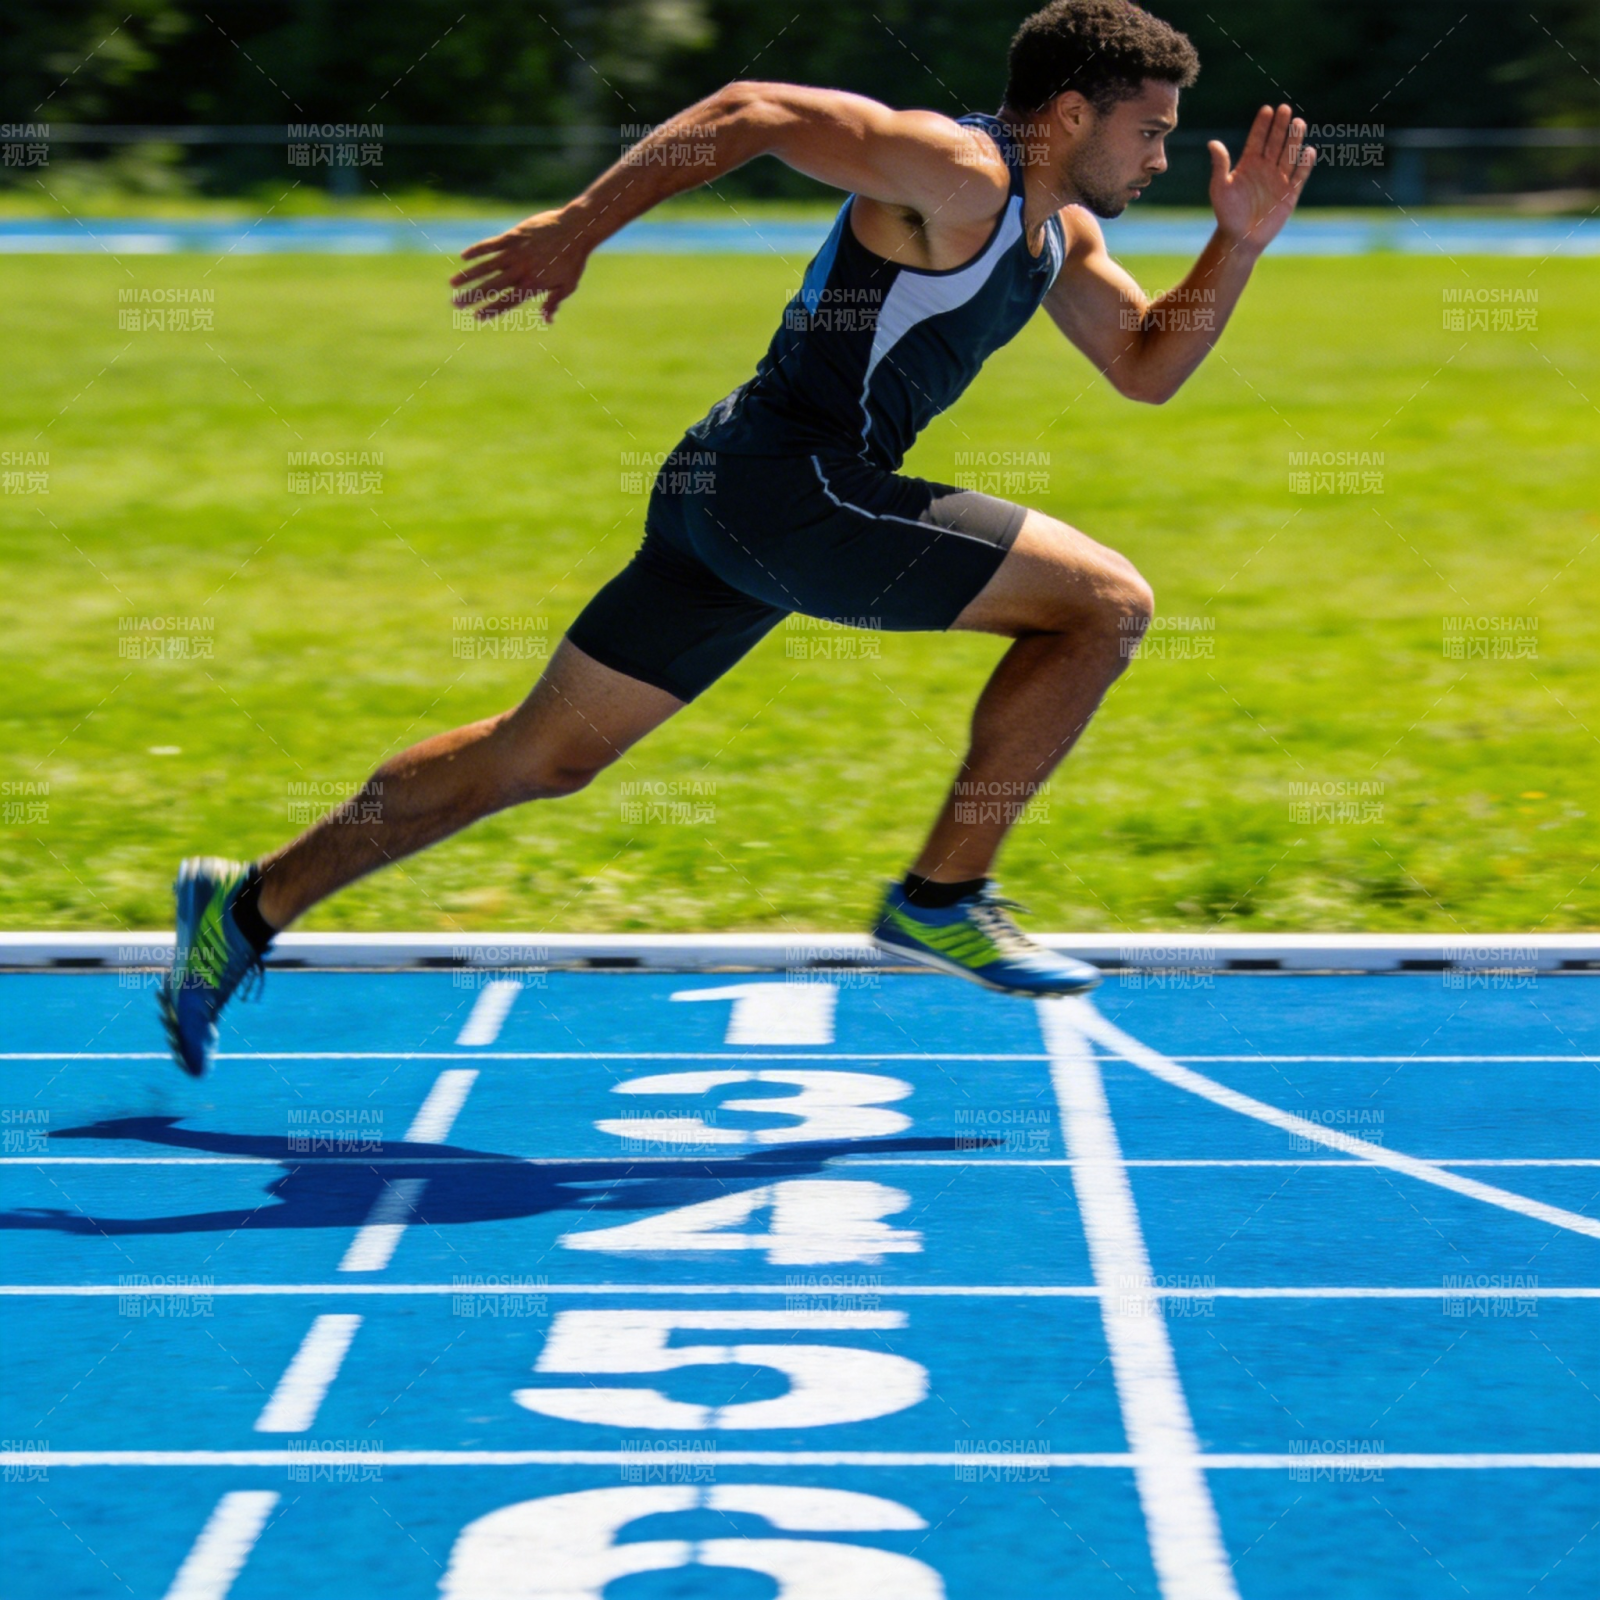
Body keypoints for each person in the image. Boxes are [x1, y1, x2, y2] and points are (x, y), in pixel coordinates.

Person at [161, 0, 1314, 1076]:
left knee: (540, 754)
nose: (1162, 159)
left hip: (734, 493)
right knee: (1106, 605)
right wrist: (579, 225)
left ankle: (246, 906)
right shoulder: (956, 170)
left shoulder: (1053, 231)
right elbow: (753, 109)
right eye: (1150, 132)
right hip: (792, 489)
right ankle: (941, 896)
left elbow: (1146, 364)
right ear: (1071, 113)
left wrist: (1243, 245)